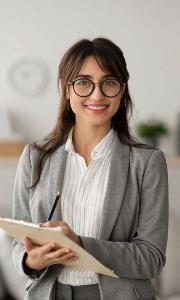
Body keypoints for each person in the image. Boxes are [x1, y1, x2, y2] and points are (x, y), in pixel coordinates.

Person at [12, 37, 169, 300]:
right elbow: (19, 242)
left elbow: (152, 258)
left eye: (109, 82)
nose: (97, 95)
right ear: (66, 88)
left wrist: (81, 245)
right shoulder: (35, 156)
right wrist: (30, 261)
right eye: (84, 83)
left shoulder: (147, 162)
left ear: (122, 89)